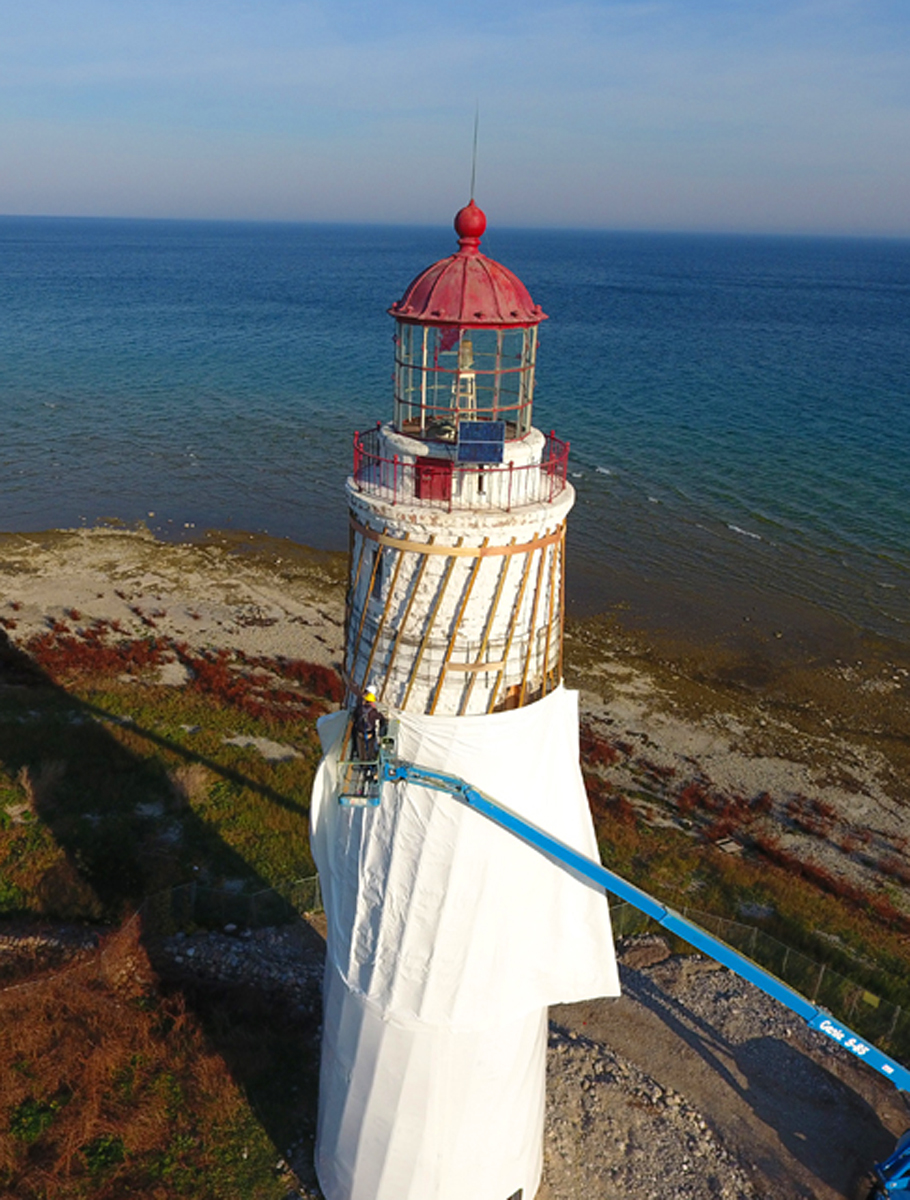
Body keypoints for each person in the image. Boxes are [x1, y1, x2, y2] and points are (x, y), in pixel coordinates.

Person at [353, 690, 381, 765]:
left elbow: (354, 716)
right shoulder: (374, 712)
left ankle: (362, 763)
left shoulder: (360, 710)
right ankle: (370, 761)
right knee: (370, 748)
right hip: (370, 733)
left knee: (361, 749)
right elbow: (380, 717)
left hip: (360, 732)